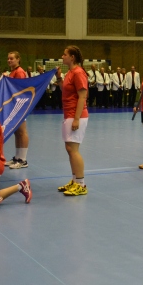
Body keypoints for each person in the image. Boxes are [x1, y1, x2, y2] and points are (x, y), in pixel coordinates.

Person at [57, 46, 90, 196]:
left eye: (65, 54)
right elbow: (65, 90)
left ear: (72, 57)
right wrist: (59, 78)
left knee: (74, 150)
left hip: (77, 115)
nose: (62, 56)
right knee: (69, 149)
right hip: (68, 114)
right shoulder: (70, 72)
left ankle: (81, 184)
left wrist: (76, 119)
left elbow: (82, 96)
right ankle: (75, 180)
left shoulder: (78, 72)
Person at [6, 51, 30, 169]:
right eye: (8, 58)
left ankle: (23, 160)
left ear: (18, 59)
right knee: (17, 132)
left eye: (12, 58)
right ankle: (17, 157)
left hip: (20, 106)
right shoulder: (12, 72)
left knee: (22, 132)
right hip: (14, 106)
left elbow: (20, 89)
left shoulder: (19, 72)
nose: (9, 60)